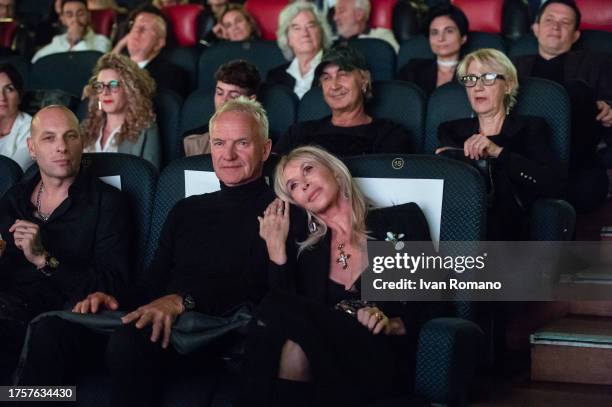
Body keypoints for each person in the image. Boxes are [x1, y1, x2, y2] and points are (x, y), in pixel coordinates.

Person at [17, 98, 279, 407]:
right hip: (162, 318)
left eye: (243, 143)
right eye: (220, 143)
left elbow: (259, 286)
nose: (229, 155)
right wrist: (111, 299)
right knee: (53, 329)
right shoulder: (187, 208)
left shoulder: (278, 212)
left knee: (130, 342)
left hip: (216, 329)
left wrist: (184, 301)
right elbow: (152, 283)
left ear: (264, 149)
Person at [238, 145, 442, 406]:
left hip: (381, 356)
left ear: (335, 171)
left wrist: (390, 322)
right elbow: (286, 318)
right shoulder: (309, 253)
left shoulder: (400, 220)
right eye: (293, 186)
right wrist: (276, 249)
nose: (304, 185)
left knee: (274, 313)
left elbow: (435, 306)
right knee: (288, 332)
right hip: (327, 364)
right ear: (295, 201)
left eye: (308, 169)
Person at [0, 105, 132, 385]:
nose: (61, 147)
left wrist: (44, 260)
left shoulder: (107, 202)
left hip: (61, 318)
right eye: (49, 138)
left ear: (81, 142)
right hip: (8, 308)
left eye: (69, 136)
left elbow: (113, 282)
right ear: (31, 148)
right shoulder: (14, 198)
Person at [437, 49, 564, 240]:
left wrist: (498, 152)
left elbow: (552, 184)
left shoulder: (531, 128)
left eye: (487, 77)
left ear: (508, 86)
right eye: (470, 78)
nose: (477, 87)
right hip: (459, 222)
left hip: (510, 228)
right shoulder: (452, 132)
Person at [512, 0, 612, 212]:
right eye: (549, 20)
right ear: (535, 29)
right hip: (522, 156)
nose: (556, 26)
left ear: (576, 35)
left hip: (577, 161)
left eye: (565, 22)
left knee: (577, 91)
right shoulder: (512, 66)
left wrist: (608, 107)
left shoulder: (597, 64)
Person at [274, 45, 413, 156]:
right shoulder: (298, 133)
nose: (334, 85)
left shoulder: (390, 135)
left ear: (364, 80)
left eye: (343, 74)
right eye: (326, 78)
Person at [81, 53, 161, 168]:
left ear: (130, 90)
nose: (105, 92)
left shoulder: (147, 130)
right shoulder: (87, 125)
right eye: (100, 86)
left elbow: (149, 179)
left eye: (113, 85)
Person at [183, 59, 261, 156]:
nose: (223, 101)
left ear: (251, 100)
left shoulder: (262, 140)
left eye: (233, 96)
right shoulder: (191, 141)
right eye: (220, 93)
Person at [112, 5, 188, 97]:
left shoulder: (172, 76)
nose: (136, 31)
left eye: (143, 29)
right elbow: (97, 100)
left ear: (159, 43)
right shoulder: (117, 66)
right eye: (133, 25)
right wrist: (119, 46)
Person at [397, 4, 468, 97]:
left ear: (463, 38)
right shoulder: (412, 70)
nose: (441, 38)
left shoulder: (474, 73)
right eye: (434, 32)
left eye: (449, 31)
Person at [266, 1, 333, 99]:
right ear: (287, 37)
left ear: (322, 32)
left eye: (311, 26)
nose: (305, 33)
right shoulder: (275, 76)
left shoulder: (336, 69)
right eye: (296, 28)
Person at [31, 0, 111, 63]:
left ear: (88, 15)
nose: (75, 20)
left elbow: (94, 67)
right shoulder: (57, 42)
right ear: (62, 19)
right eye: (69, 15)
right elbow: (37, 62)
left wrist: (78, 41)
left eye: (80, 14)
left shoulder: (102, 41)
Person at [0, 64, 33, 171]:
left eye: (9, 89)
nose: (2, 97)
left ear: (20, 95)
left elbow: (12, 173)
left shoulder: (32, 129)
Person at [333, 0, 399, 53]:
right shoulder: (333, 42)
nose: (335, 18)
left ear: (359, 14)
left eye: (341, 11)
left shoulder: (382, 38)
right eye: (335, 12)